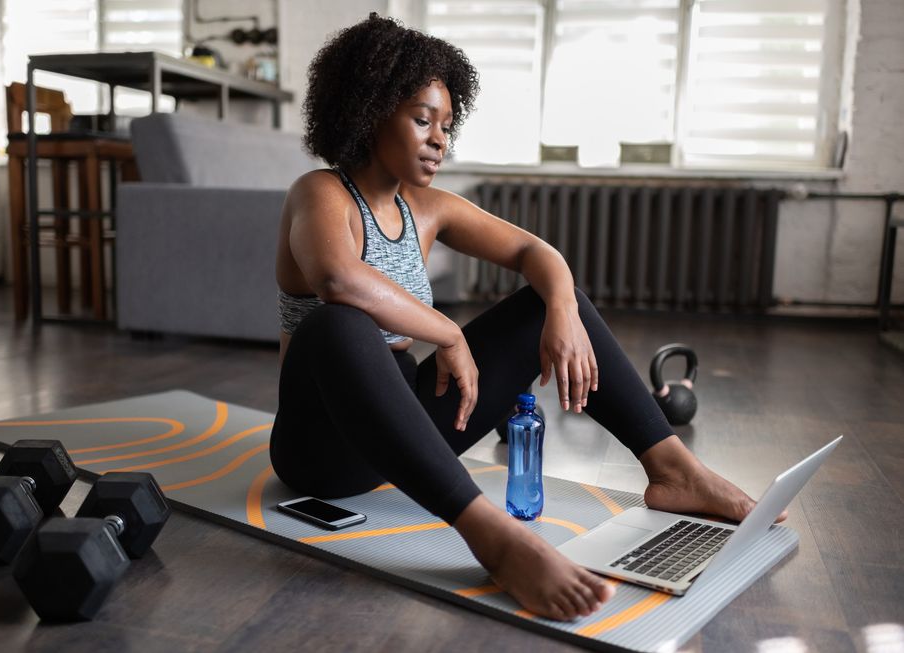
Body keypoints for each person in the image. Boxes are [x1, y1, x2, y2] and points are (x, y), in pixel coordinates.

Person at [270, 13, 774, 622]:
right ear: (370, 110)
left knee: (549, 300)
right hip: (321, 449)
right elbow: (337, 278)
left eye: (446, 125)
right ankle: (491, 536)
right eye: (422, 120)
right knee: (338, 323)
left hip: (407, 434)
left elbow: (539, 254)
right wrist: (448, 332)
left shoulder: (427, 207)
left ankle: (674, 470)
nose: (439, 140)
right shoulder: (320, 193)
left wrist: (561, 311)